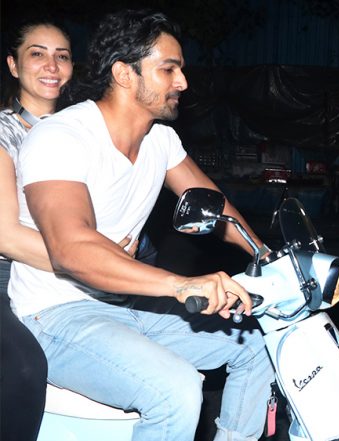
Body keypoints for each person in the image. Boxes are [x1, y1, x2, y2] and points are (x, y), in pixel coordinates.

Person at [9, 10, 274, 440]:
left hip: (129, 307)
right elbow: (71, 249)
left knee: (260, 342)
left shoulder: (161, 141)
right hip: (55, 315)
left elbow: (214, 206)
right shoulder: (62, 137)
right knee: (176, 390)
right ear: (124, 74)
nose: (182, 82)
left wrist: (265, 253)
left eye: (181, 69)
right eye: (168, 69)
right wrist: (179, 285)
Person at [0, 20, 74, 441]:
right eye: (37, 53)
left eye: (62, 55)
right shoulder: (5, 132)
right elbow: (5, 236)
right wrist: (96, 261)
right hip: (5, 278)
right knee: (26, 367)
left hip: (63, 280)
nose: (52, 65)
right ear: (13, 65)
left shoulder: (81, 132)